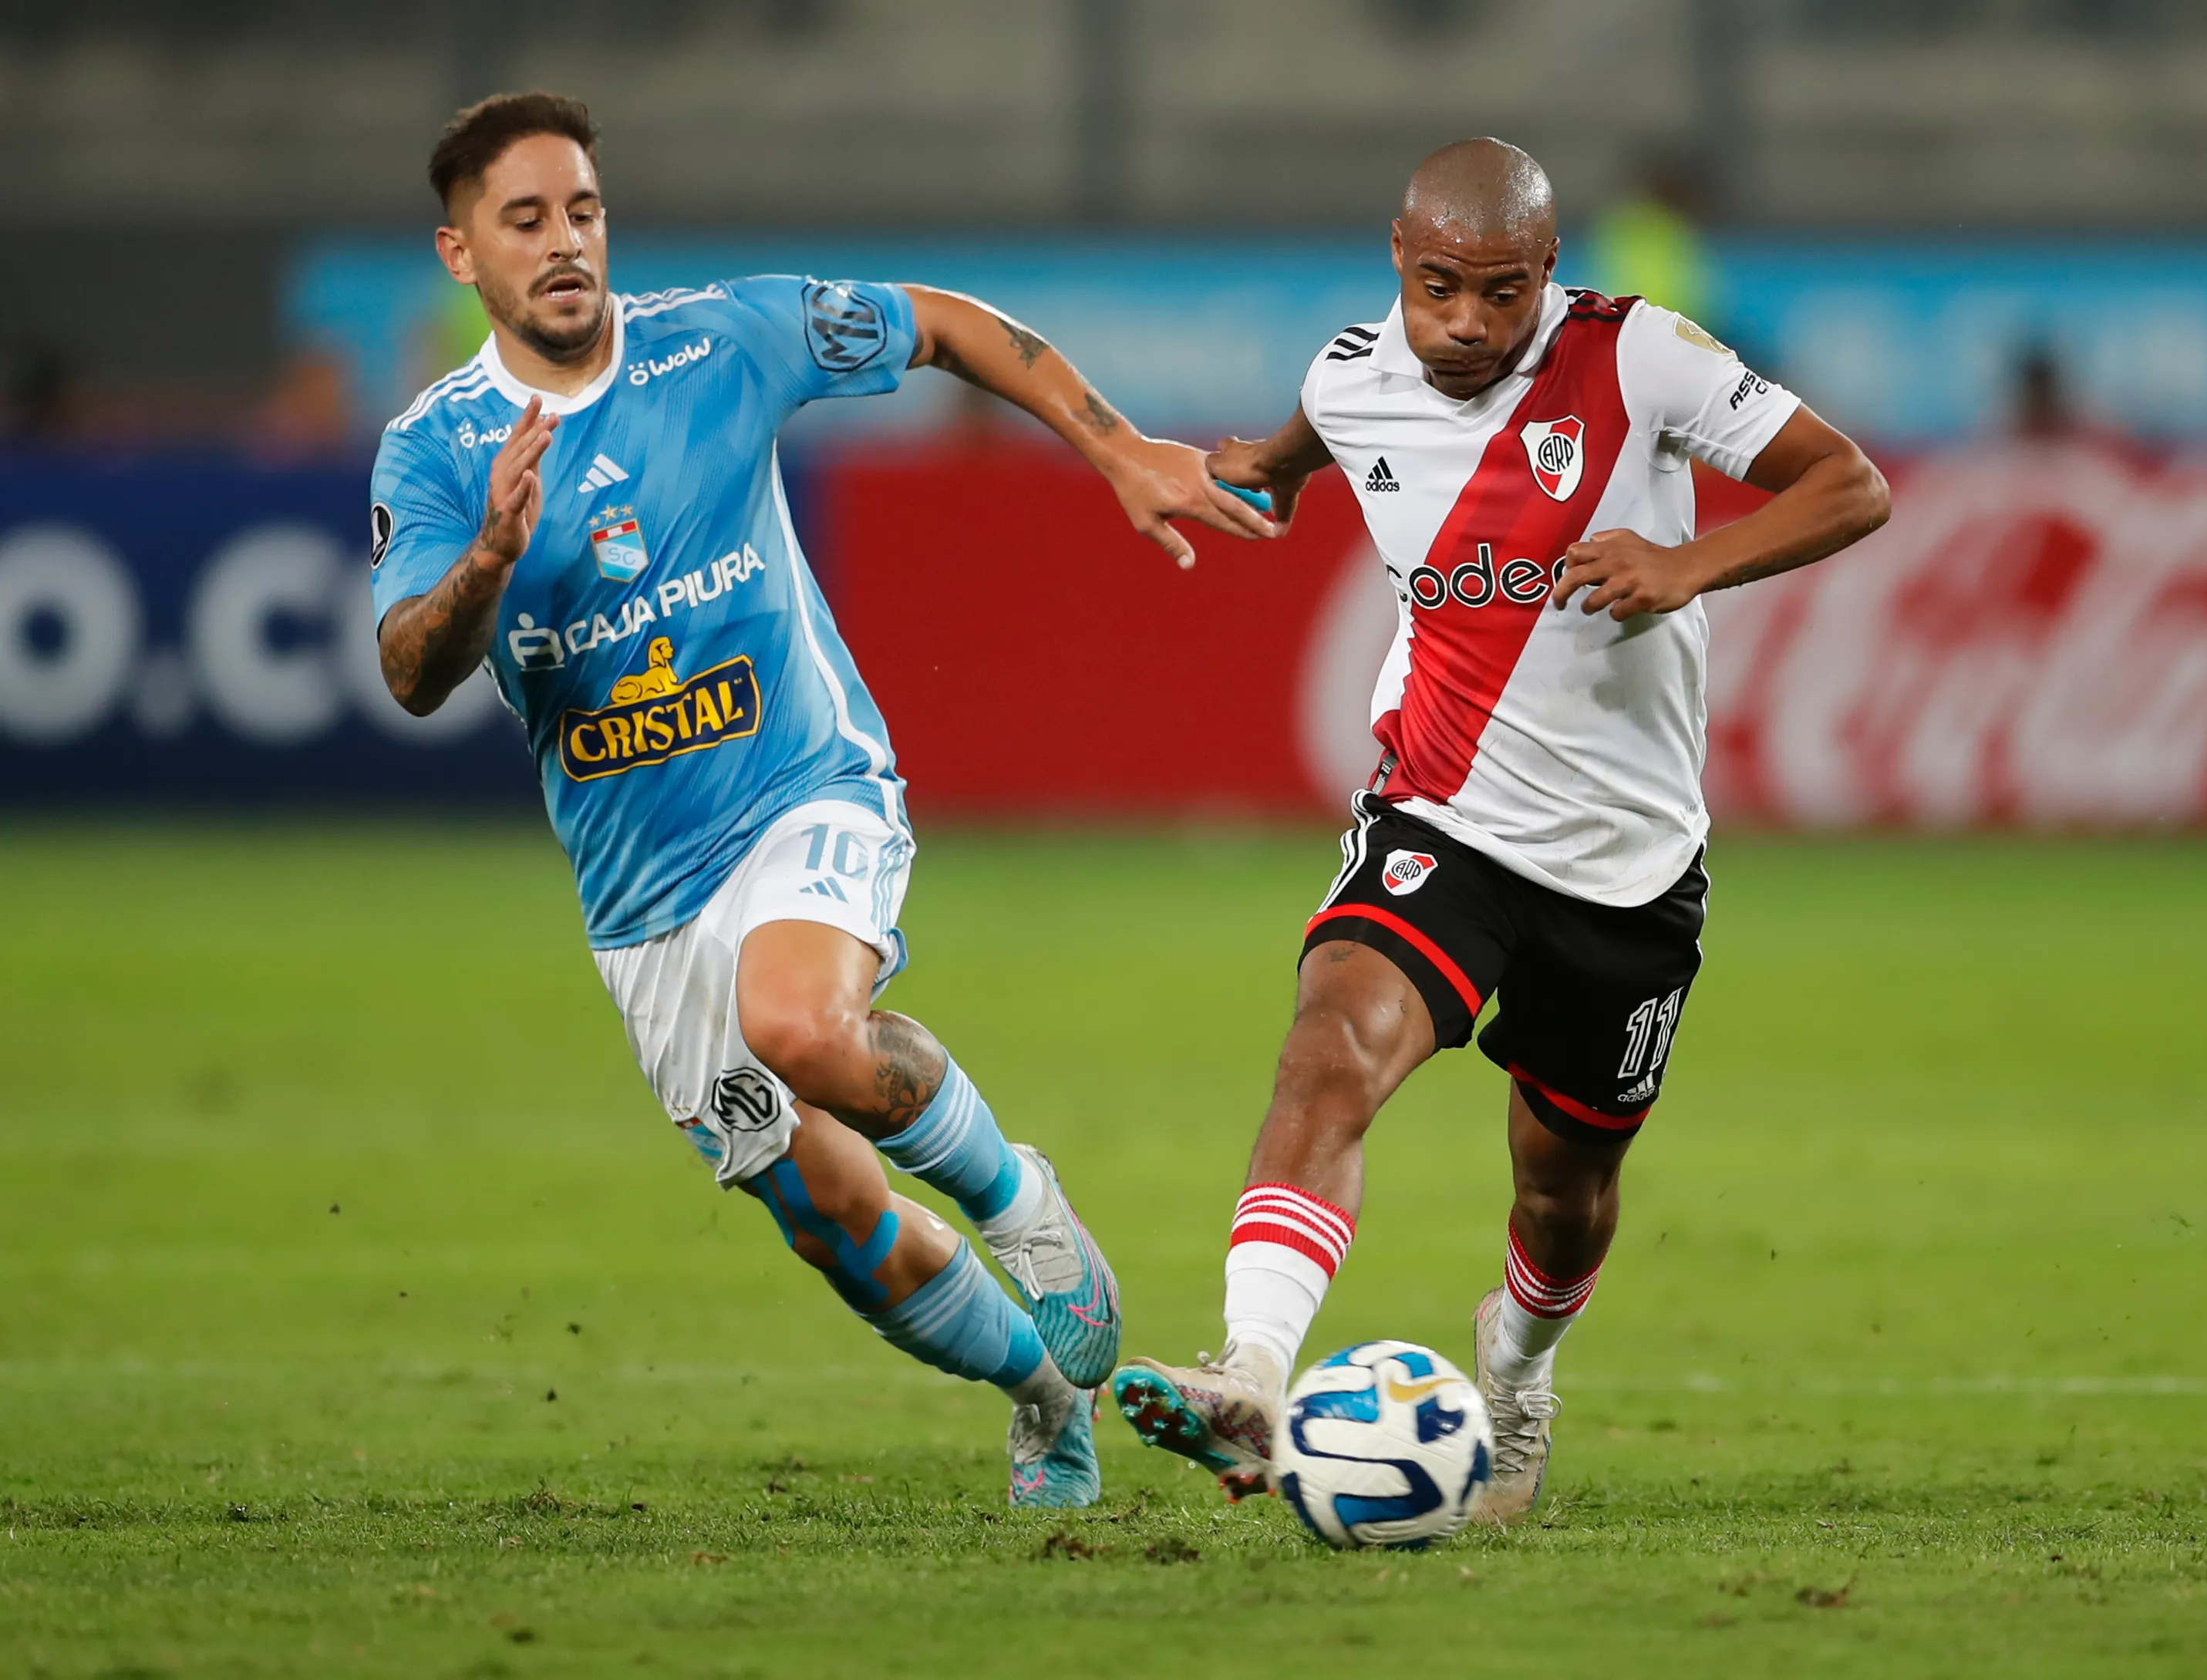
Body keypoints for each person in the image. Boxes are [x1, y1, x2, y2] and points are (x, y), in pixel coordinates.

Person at [369, 92, 1275, 1509]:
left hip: (804, 786)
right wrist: (487, 559)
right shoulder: (435, 451)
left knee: (800, 1022)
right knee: (833, 1216)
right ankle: (1041, 1395)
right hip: (640, 897)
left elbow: (943, 322)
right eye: (525, 220)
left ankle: (1017, 1203)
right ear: (458, 255)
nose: (565, 243)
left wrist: (1112, 446)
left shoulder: (719, 340)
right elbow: (413, 669)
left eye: (584, 211)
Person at [1107, 138, 1889, 1523]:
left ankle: (1517, 1375)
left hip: (1626, 867)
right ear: (1396, 262)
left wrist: (1681, 564)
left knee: (1562, 1193)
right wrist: (1250, 477)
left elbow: (1851, 483)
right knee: (1326, 1046)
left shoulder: (1639, 356)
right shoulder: (1350, 375)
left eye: (1502, 294)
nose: (1466, 323)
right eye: (1438, 289)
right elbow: (1297, 455)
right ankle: (1249, 1369)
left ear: (1548, 274)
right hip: (1443, 821)